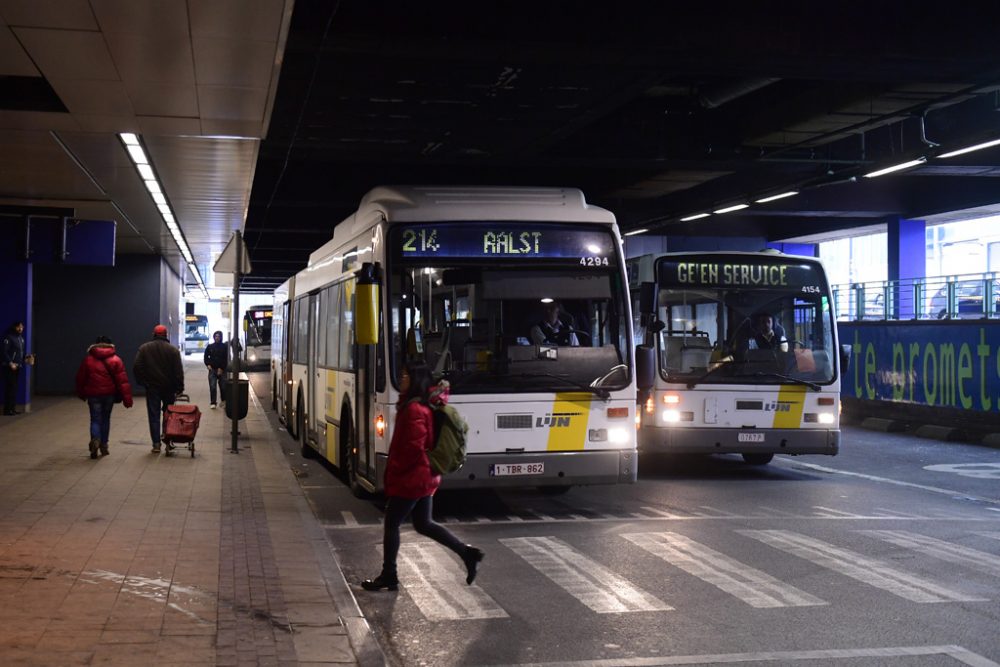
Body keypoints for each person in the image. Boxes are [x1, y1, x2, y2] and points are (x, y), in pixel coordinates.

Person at [361, 363, 484, 591]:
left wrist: (394, 472)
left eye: (406, 375)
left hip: (413, 478)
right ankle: (467, 553)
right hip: (422, 477)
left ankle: (389, 575)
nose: (403, 378)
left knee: (392, 523)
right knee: (424, 524)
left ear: (416, 380)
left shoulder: (415, 410)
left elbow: (412, 449)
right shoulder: (417, 407)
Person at [75, 336, 133, 458]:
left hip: (93, 395)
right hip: (109, 395)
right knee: (105, 419)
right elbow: (122, 381)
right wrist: (127, 400)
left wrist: (81, 393)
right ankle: (104, 445)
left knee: (95, 419)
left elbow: (81, 378)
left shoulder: (88, 360)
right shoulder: (116, 360)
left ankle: (95, 439)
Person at [133, 324, 184, 453]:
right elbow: (178, 371)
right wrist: (179, 387)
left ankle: (156, 444)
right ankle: (167, 440)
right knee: (168, 414)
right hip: (169, 388)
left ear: (154, 334)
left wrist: (143, 382)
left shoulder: (144, 349)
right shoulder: (173, 350)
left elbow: (137, 366)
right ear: (166, 335)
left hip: (152, 388)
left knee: (153, 415)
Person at [2, 321, 30, 415]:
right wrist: (10, 363)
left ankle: (12, 409)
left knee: (14, 388)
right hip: (9, 367)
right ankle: (7, 410)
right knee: (10, 388)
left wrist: (27, 358)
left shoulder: (21, 339)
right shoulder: (9, 338)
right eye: (19, 327)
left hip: (18, 366)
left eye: (22, 327)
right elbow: (4, 352)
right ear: (14, 327)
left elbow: (21, 353)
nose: (20, 329)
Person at [204, 330, 228, 409]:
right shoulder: (210, 346)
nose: (217, 338)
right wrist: (208, 365)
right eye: (216, 336)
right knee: (212, 386)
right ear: (214, 337)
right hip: (212, 370)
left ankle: (224, 400)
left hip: (222, 370)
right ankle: (213, 402)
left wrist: (221, 368)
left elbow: (226, 358)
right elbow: (206, 356)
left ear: (221, 337)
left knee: (223, 387)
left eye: (219, 336)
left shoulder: (224, 347)